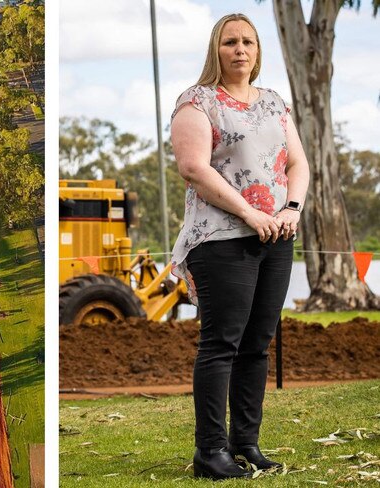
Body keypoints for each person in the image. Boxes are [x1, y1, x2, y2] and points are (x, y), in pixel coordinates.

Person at [169, 13, 310, 480]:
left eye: (248, 41)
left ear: (257, 50)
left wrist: (291, 208)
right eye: (230, 42)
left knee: (257, 345)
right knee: (221, 344)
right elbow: (194, 167)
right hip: (222, 238)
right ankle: (210, 451)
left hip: (277, 237)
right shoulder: (198, 101)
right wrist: (249, 213)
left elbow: (297, 164)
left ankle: (245, 442)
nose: (240, 49)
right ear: (217, 49)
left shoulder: (273, 103)